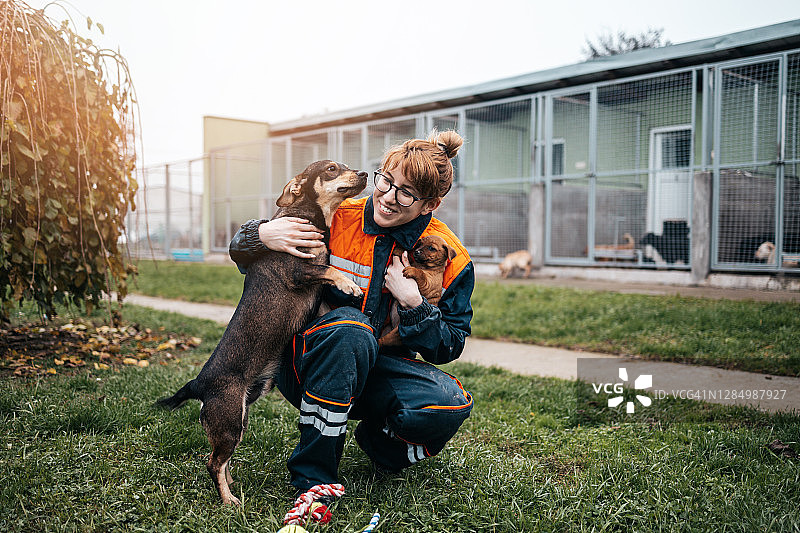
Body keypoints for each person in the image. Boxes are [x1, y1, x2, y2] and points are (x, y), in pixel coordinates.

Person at [229, 130, 474, 524]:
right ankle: (313, 481)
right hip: (307, 364)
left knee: (449, 404)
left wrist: (413, 304)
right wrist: (259, 233)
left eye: (407, 193)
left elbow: (449, 345)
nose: (389, 197)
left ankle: (377, 444)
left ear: (432, 203)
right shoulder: (338, 217)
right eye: (386, 180)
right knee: (352, 329)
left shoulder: (450, 256)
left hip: (377, 368)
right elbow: (249, 258)